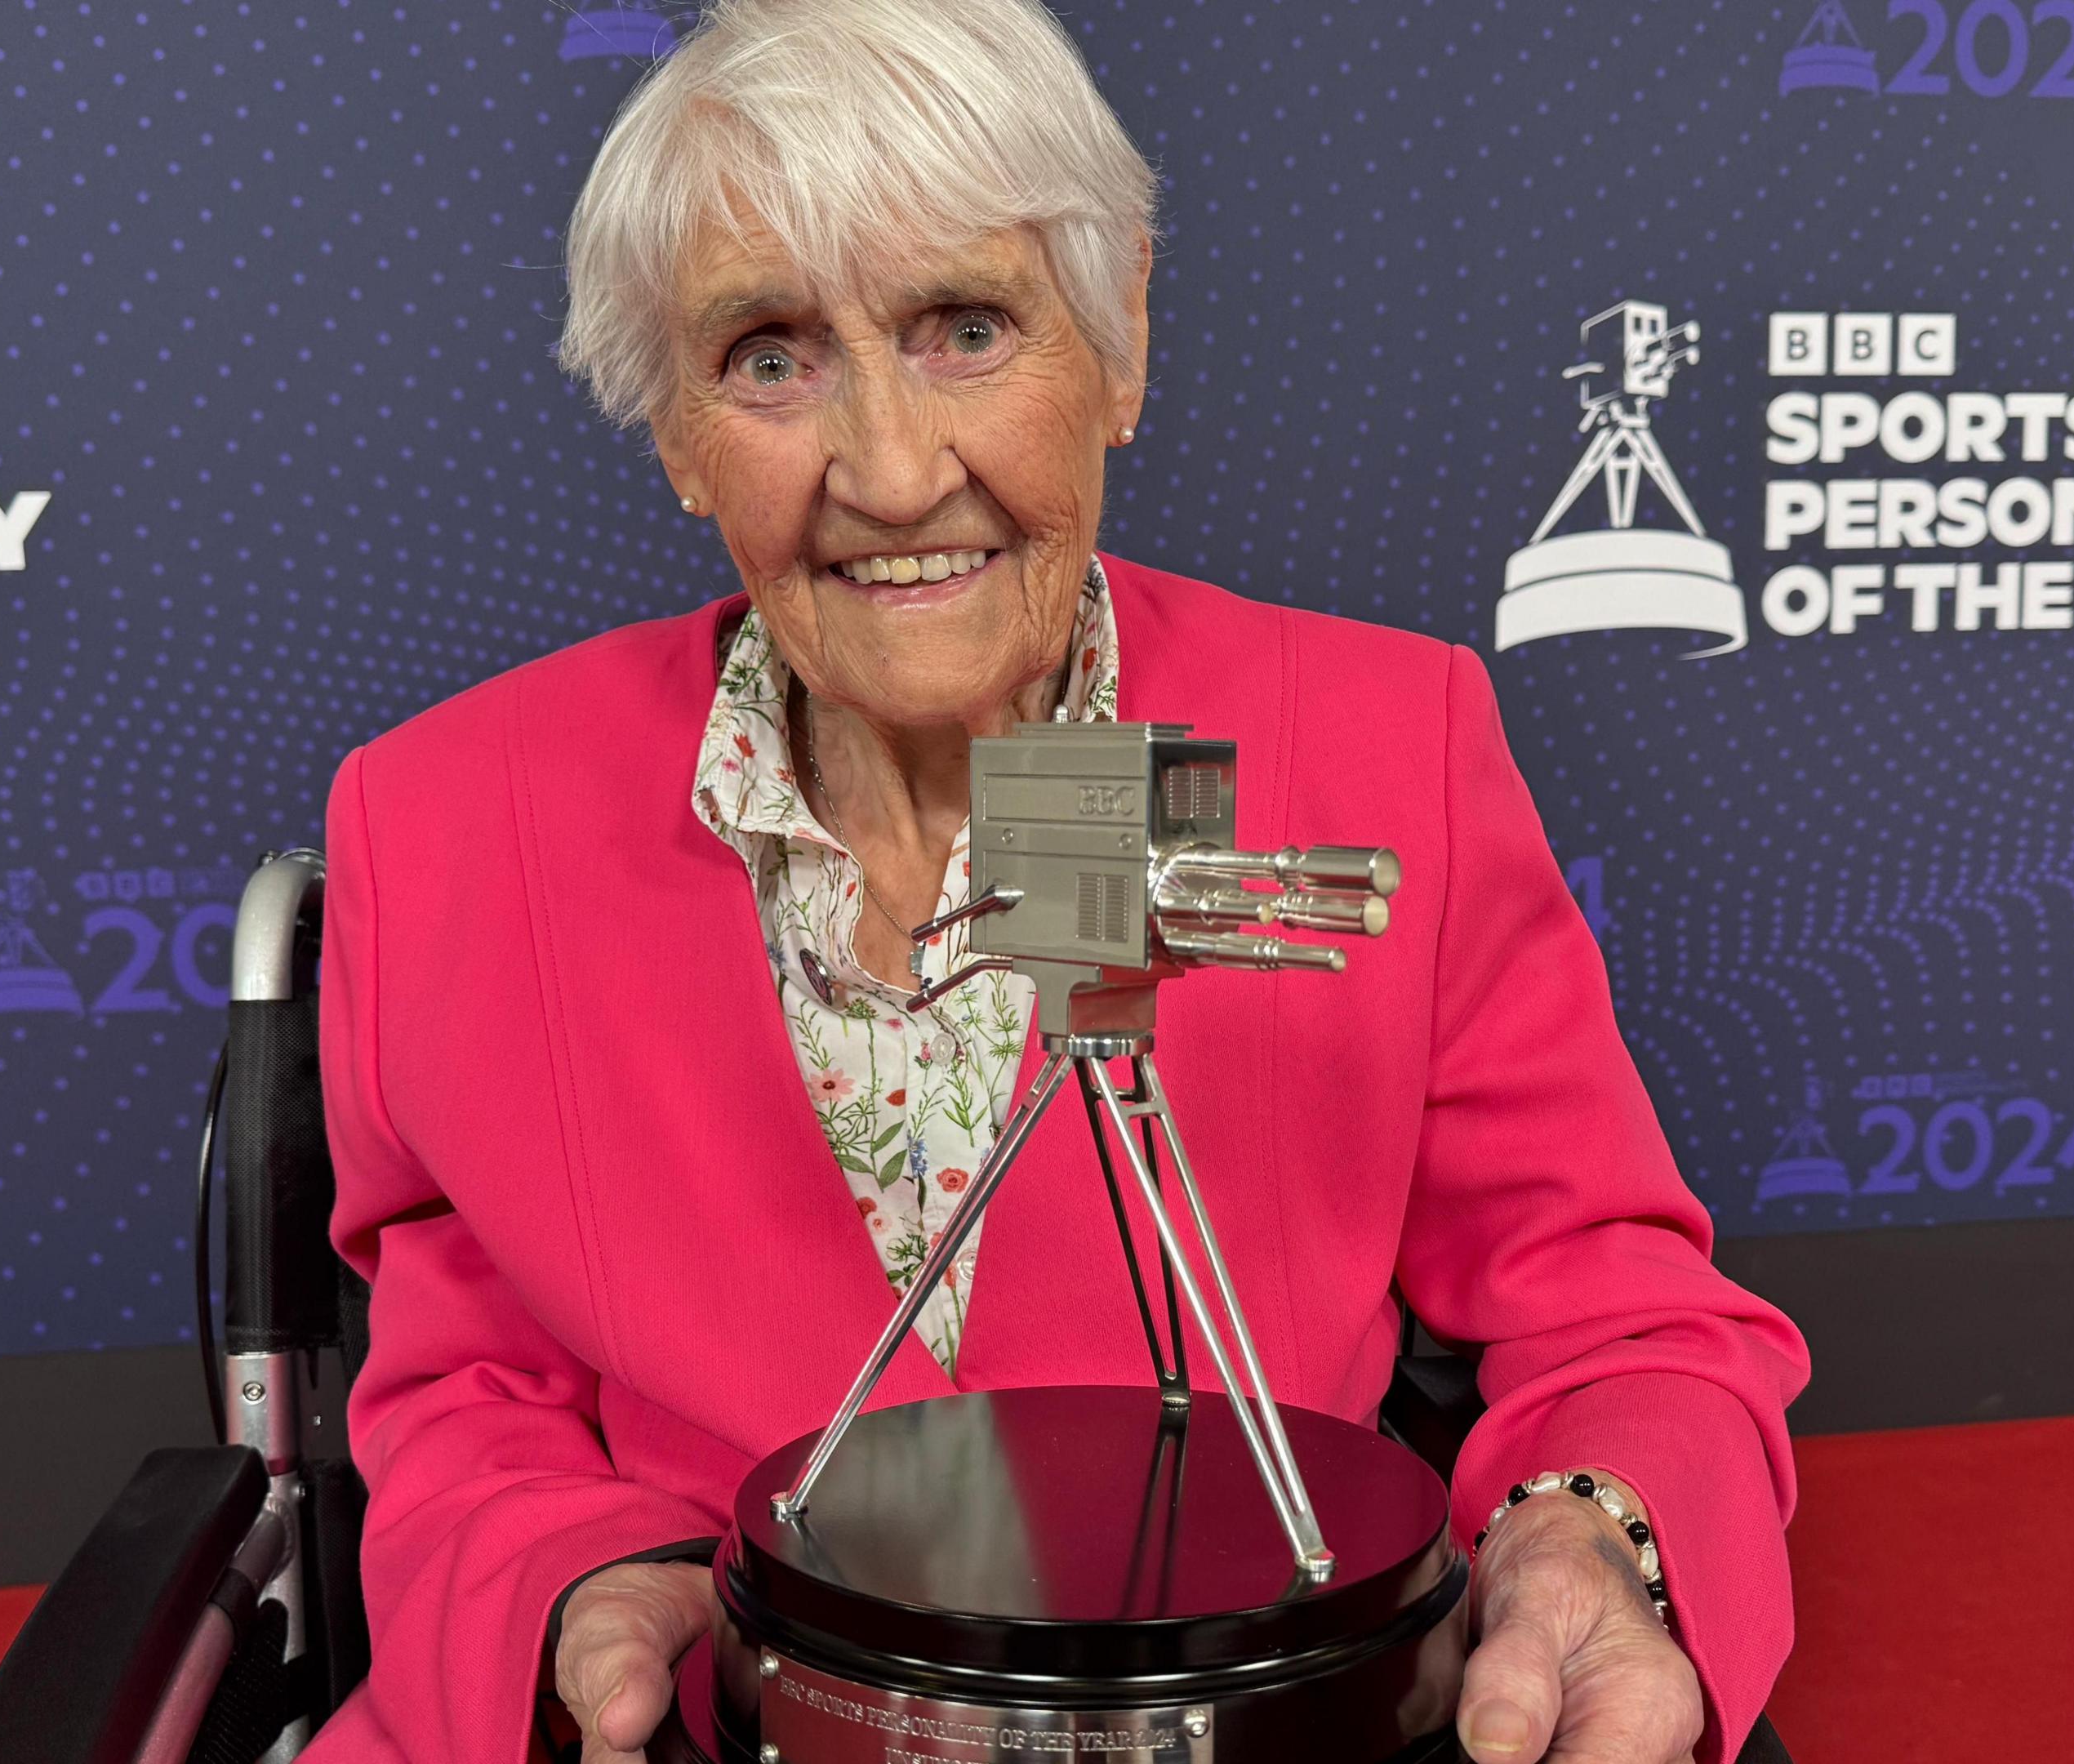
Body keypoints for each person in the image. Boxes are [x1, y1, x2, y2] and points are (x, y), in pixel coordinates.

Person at [300, 2, 1808, 1759]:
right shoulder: (450, 821)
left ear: (1119, 342)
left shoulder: (1388, 742)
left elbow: (1615, 1309)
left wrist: (1586, 1533)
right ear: (677, 433)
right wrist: (582, 1583)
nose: (887, 469)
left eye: (965, 327)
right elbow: (472, 1391)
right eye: (771, 356)